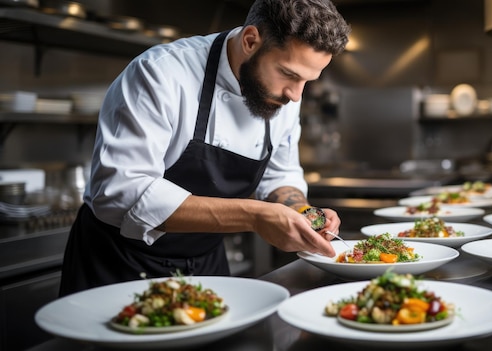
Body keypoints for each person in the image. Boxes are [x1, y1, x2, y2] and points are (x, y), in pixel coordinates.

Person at [59, 0, 350, 296]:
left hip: (206, 264)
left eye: (307, 81)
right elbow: (121, 192)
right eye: (288, 74)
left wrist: (301, 212)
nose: (296, 95)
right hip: (120, 263)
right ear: (251, 41)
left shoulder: (283, 95)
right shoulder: (160, 74)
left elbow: (280, 175)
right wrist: (256, 216)